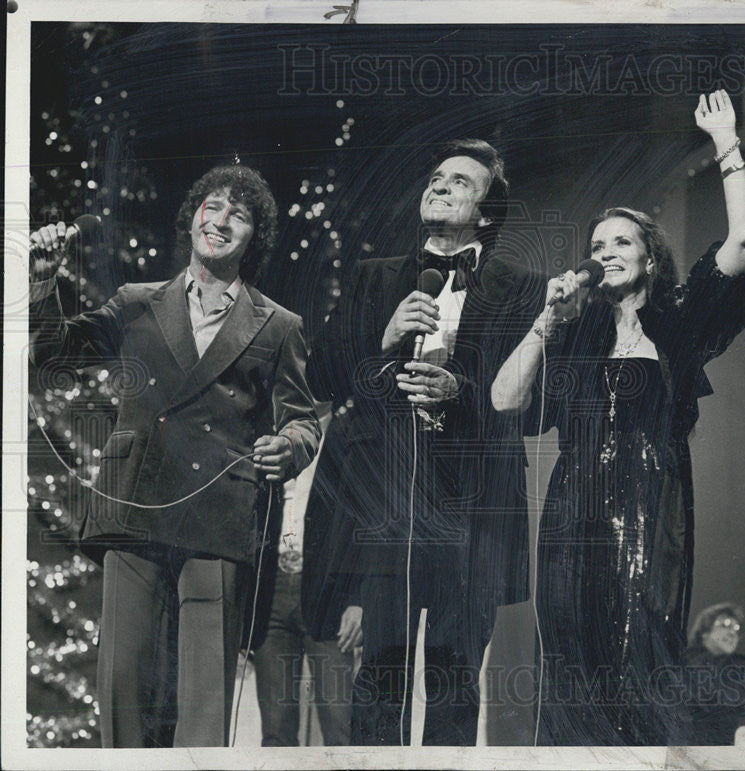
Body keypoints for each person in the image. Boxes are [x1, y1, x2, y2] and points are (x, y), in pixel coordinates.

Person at [492, 90, 745, 745]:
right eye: (597, 242)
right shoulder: (575, 331)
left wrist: (725, 143)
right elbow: (504, 398)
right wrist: (544, 321)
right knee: (570, 658)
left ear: (649, 255)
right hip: (572, 511)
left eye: (621, 240)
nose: (606, 249)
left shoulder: (676, 320)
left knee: (638, 652)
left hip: (652, 504)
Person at [28, 164, 321, 747]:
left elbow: (303, 419)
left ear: (252, 237)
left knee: (205, 693)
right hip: (134, 503)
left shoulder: (279, 325)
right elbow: (53, 354)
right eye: (212, 207)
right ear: (192, 219)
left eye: (238, 215)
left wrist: (287, 445)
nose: (221, 220)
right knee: (124, 681)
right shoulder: (136, 303)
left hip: (218, 512)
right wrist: (41, 285)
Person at [304, 138, 542, 745]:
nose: (439, 185)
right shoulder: (372, 278)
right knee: (378, 685)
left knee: (455, 686)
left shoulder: (521, 288)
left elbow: (537, 409)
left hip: (471, 513)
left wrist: (459, 389)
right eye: (436, 176)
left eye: (460, 181)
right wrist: (383, 338)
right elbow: (323, 378)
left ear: (486, 213)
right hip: (389, 508)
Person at [252, 410, 359, 746]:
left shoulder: (349, 432)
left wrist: (358, 599)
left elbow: (363, 522)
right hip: (271, 591)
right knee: (275, 731)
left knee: (341, 728)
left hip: (329, 595)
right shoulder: (267, 431)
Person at [681, 603, 745, 745]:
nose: (733, 633)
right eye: (724, 625)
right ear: (704, 633)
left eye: (736, 628)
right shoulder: (693, 662)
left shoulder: (725, 666)